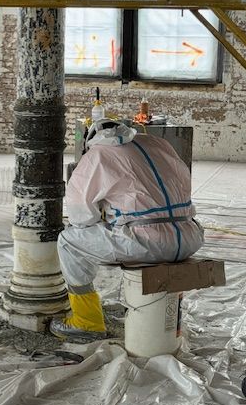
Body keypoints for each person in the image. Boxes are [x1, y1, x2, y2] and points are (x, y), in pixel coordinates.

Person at [50, 118, 204, 343]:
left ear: (90, 140)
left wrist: (105, 218)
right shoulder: (158, 143)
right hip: (189, 235)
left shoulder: (97, 154)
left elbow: (81, 218)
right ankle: (166, 318)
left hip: (148, 242)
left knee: (68, 242)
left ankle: (87, 321)